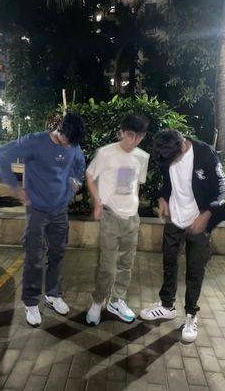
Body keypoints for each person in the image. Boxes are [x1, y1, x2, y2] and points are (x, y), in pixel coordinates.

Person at [0, 112, 85, 327]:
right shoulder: (34, 142)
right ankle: (31, 302)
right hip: (36, 210)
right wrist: (16, 188)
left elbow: (79, 163)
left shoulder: (73, 144)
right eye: (66, 142)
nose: (67, 148)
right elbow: (1, 154)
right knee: (33, 257)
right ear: (59, 131)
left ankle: (53, 295)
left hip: (60, 210)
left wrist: (75, 180)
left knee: (57, 254)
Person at [140, 129, 225, 342]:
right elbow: (167, 184)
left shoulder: (205, 154)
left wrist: (206, 216)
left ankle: (191, 314)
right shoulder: (167, 154)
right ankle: (167, 306)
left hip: (198, 221)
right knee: (169, 263)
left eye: (174, 159)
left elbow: (224, 192)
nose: (171, 164)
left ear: (182, 146)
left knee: (194, 270)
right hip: (174, 220)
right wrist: (163, 198)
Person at [86, 114, 150, 325]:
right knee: (107, 266)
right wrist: (97, 203)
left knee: (126, 263)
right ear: (122, 132)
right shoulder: (105, 154)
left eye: (138, 136)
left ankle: (117, 300)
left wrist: (135, 205)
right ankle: (97, 301)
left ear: (143, 136)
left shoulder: (142, 157)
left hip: (132, 217)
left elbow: (137, 185)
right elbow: (90, 175)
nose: (132, 140)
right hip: (110, 215)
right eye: (129, 135)